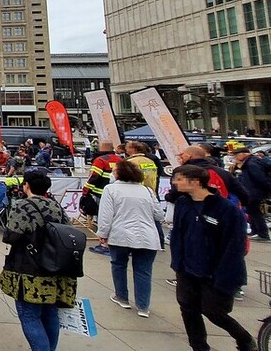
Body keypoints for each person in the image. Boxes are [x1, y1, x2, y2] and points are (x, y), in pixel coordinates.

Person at [169, 165, 255, 351]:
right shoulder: (183, 203)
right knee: (188, 309)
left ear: (196, 182)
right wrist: (178, 261)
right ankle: (199, 347)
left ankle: (245, 339)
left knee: (214, 312)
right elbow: (178, 233)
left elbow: (234, 246)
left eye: (179, 179)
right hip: (186, 268)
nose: (175, 183)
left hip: (213, 271)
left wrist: (224, 274)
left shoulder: (226, 210)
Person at [0, 171, 78, 351]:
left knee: (30, 315)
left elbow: (11, 235)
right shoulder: (55, 205)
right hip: (56, 267)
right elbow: (68, 230)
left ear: (26, 186)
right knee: (50, 313)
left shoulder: (22, 206)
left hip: (30, 270)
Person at [96, 159, 164, 317]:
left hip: (121, 234)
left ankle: (122, 296)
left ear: (119, 173)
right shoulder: (147, 190)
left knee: (118, 265)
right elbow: (159, 214)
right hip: (147, 235)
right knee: (144, 271)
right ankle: (143, 306)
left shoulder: (111, 189)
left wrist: (102, 233)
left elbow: (106, 216)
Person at [82, 141, 122, 255]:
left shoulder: (100, 160)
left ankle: (105, 244)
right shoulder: (120, 160)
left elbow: (93, 177)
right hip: (118, 194)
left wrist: (85, 192)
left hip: (102, 194)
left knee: (104, 219)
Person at [234, 147, 271, 241]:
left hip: (254, 191)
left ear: (244, 154)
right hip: (251, 190)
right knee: (250, 211)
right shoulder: (250, 162)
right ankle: (255, 230)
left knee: (255, 211)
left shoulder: (251, 164)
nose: (236, 157)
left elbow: (260, 178)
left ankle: (262, 233)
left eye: (237, 155)